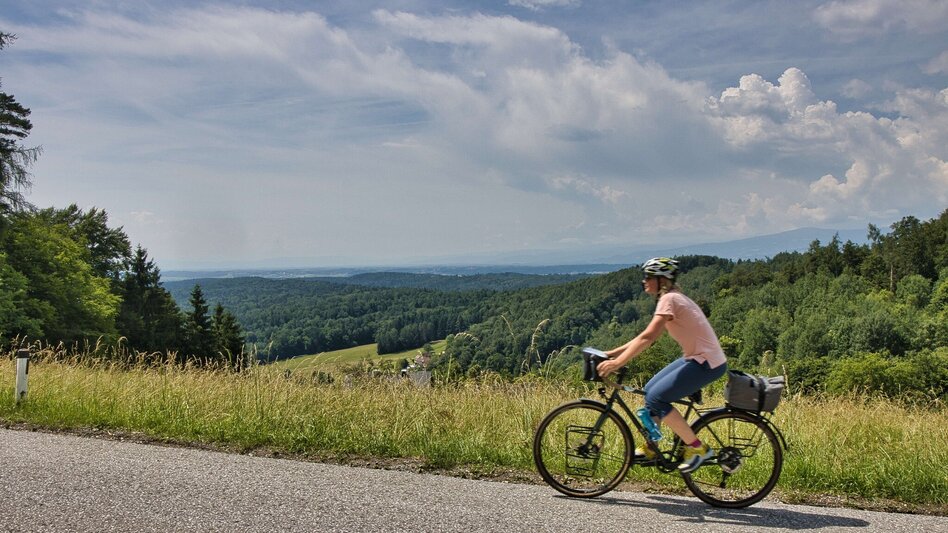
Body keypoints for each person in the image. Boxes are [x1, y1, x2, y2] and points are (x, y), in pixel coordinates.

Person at [596, 257, 727, 473]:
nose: (644, 281)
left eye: (648, 276)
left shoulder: (670, 300)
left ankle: (697, 448)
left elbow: (648, 338)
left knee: (658, 397)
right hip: (697, 358)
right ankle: (651, 447)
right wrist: (610, 354)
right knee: (650, 391)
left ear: (662, 280)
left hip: (707, 363)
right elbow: (643, 337)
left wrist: (617, 363)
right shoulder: (671, 298)